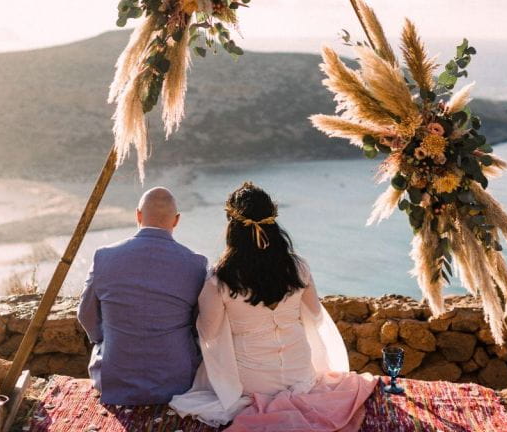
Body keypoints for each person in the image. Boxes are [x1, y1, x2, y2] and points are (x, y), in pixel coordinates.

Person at [169, 182, 377, 431]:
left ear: (231, 225)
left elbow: (210, 334)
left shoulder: (219, 279)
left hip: (252, 383)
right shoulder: (298, 267)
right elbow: (314, 313)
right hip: (299, 375)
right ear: (273, 219)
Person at [77, 187, 207, 405]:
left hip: (115, 378)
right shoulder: (196, 264)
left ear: (138, 215)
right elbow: (199, 324)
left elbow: (85, 314)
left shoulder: (104, 257)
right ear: (176, 220)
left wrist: (108, 339)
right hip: (177, 381)